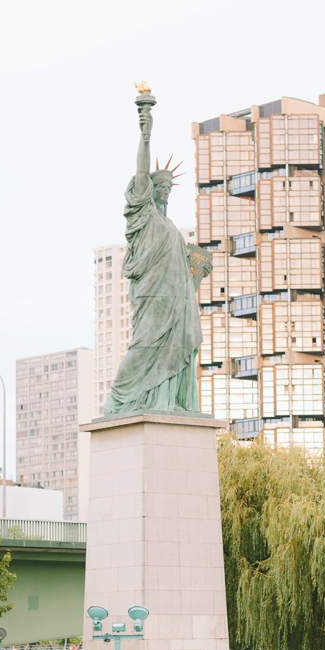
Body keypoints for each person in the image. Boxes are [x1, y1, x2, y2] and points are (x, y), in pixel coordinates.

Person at [102, 86, 206, 418]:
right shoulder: (142, 216)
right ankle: (120, 399)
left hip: (177, 303)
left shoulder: (172, 228)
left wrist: (198, 271)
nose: (164, 192)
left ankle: (167, 400)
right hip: (151, 299)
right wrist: (145, 132)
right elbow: (142, 169)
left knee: (175, 345)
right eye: (158, 187)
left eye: (167, 188)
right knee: (144, 345)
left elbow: (183, 275)